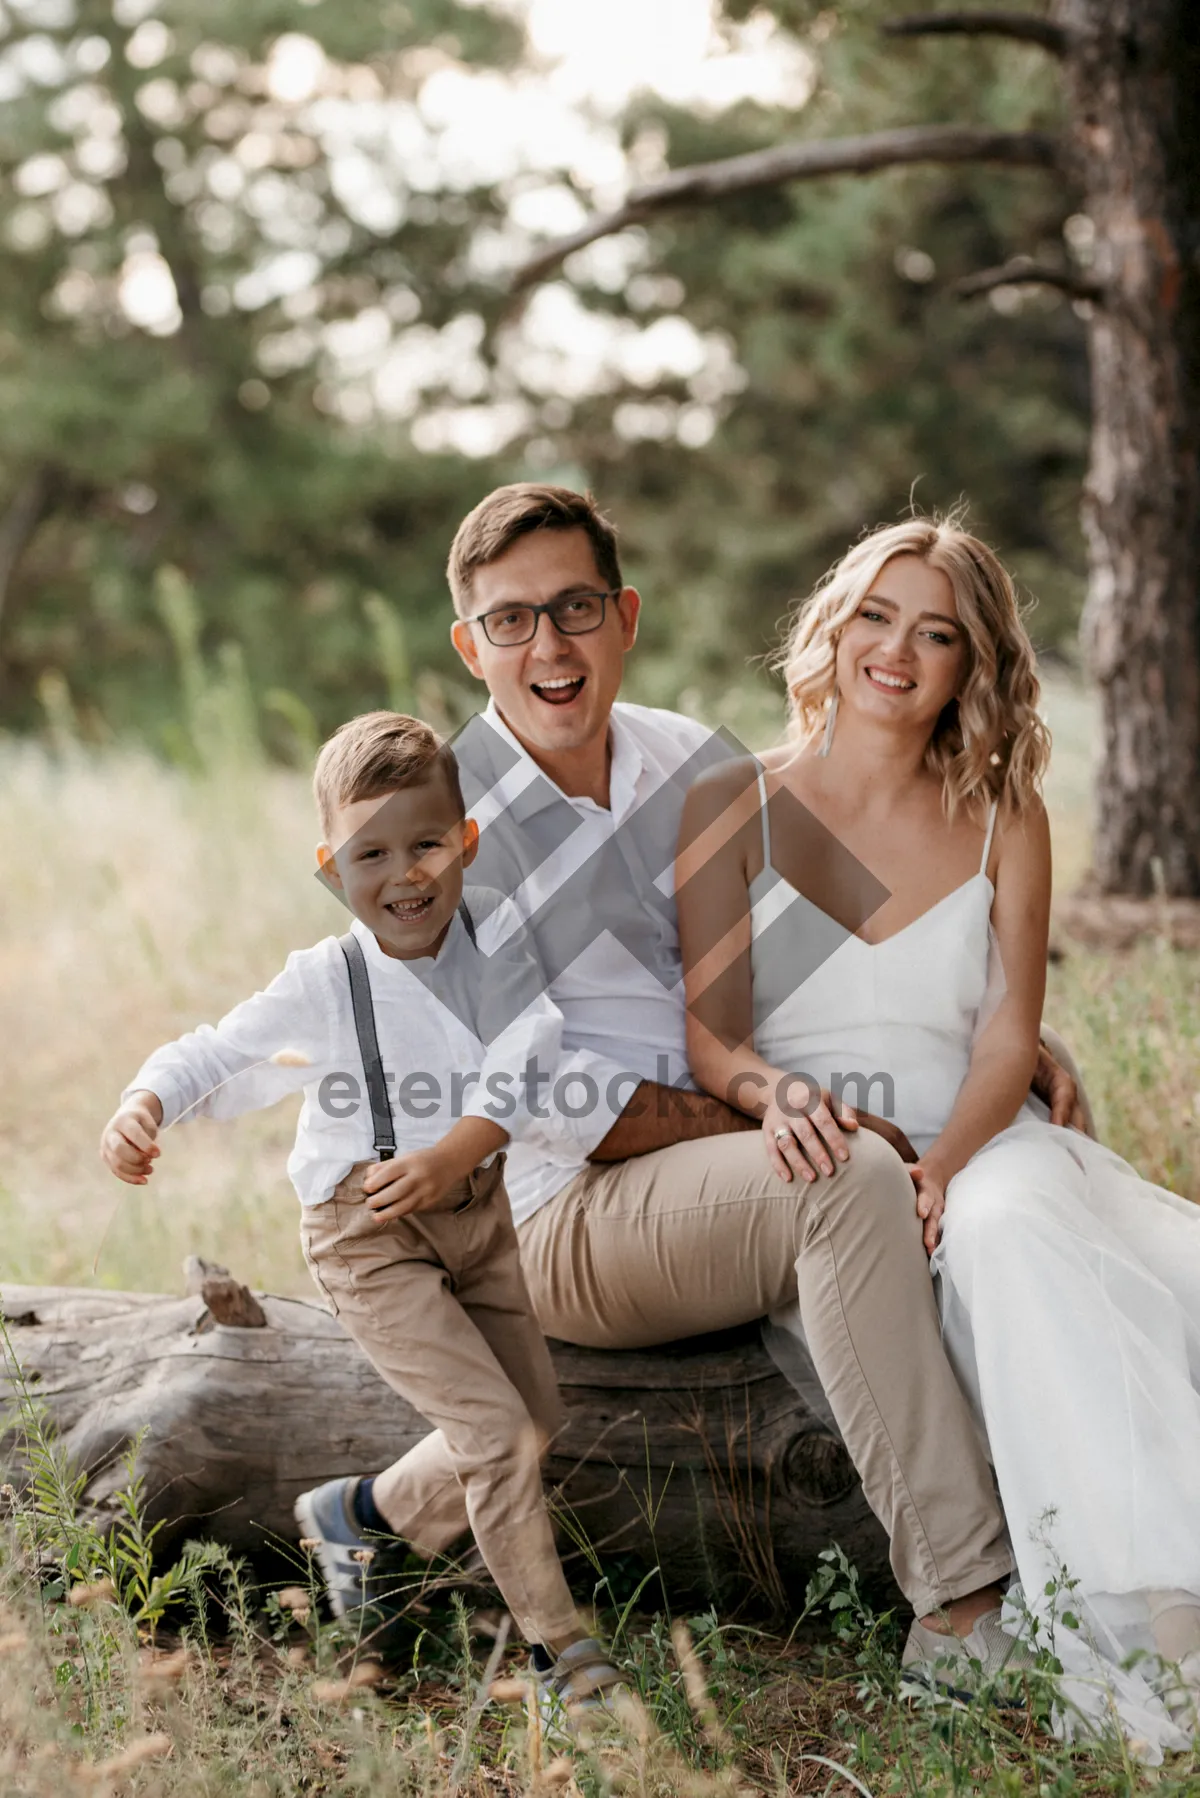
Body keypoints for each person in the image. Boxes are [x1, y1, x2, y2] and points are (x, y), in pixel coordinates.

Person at [357, 481, 1086, 1683]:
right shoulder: (442, 837)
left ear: (625, 615)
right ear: (467, 642)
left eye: (576, 607)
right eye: (511, 620)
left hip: (712, 1169)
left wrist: (996, 1041)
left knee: (856, 1169)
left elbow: (866, 916)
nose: (549, 645)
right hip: (550, 1216)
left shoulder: (683, 756)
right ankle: (963, 1597)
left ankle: (381, 1512)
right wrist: (792, 1112)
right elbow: (577, 1115)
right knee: (841, 1176)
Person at [677, 515, 1200, 1758]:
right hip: (829, 1166)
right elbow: (715, 1040)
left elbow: (1010, 1035)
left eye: (937, 633)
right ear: (832, 624)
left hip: (980, 1139)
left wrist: (944, 1167)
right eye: (875, 615)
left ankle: (1150, 1608)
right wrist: (782, 1106)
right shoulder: (731, 800)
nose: (896, 652)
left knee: (1014, 1227)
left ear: (976, 666)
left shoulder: (1002, 811)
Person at [98, 710, 624, 1717]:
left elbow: (532, 1044)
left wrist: (455, 1154)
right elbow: (220, 1048)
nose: (405, 874)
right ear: (332, 867)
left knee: (536, 1420)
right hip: (366, 1230)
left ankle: (362, 1514)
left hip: (471, 1204)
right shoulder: (326, 982)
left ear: (464, 841)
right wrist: (145, 1100)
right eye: (370, 853)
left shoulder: (493, 942)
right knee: (498, 1433)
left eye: (426, 844)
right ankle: (564, 1655)